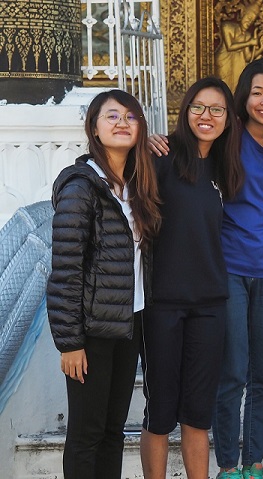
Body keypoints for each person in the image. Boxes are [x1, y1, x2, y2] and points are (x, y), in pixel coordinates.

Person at [149, 58, 263, 479]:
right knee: (231, 373)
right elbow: (187, 156)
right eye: (257, 92)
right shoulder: (225, 142)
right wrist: (149, 143)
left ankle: (254, 462)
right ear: (243, 98)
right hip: (227, 273)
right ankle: (227, 466)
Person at [46, 89, 161, 479]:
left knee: (114, 431)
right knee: (86, 434)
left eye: (131, 117)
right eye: (112, 116)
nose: (122, 123)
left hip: (130, 324)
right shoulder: (82, 187)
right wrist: (70, 343)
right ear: (94, 129)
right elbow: (65, 270)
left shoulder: (136, 187)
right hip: (92, 332)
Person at [140, 76, 243, 479]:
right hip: (163, 303)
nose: (207, 116)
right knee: (162, 412)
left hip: (210, 304)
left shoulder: (223, 165)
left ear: (228, 119)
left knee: (198, 413)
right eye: (198, 107)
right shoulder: (162, 155)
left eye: (217, 109)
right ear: (185, 111)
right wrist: (139, 145)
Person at [215, 0, 262, 92]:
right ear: (242, 14)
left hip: (238, 65)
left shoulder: (247, 35)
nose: (249, 22)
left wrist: (261, 48)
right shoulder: (227, 26)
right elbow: (230, 47)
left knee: (236, 89)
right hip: (223, 61)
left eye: (252, 20)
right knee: (222, 88)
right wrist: (250, 43)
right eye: (248, 17)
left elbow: (248, 57)